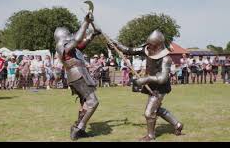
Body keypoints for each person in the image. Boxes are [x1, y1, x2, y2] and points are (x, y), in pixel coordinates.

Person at [109, 30, 183, 141]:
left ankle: (151, 135)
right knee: (156, 109)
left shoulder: (166, 58)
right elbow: (129, 50)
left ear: (158, 45)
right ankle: (177, 125)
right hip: (151, 84)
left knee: (149, 113)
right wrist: (115, 44)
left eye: (151, 45)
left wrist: (145, 79)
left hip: (160, 87)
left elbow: (163, 78)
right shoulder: (146, 49)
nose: (148, 46)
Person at [54, 12, 100, 140]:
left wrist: (92, 35)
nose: (71, 36)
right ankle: (78, 128)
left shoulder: (72, 48)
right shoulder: (61, 46)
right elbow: (77, 40)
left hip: (79, 75)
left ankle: (81, 129)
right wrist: (85, 22)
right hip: (77, 75)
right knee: (93, 102)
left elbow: (81, 45)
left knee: (85, 102)